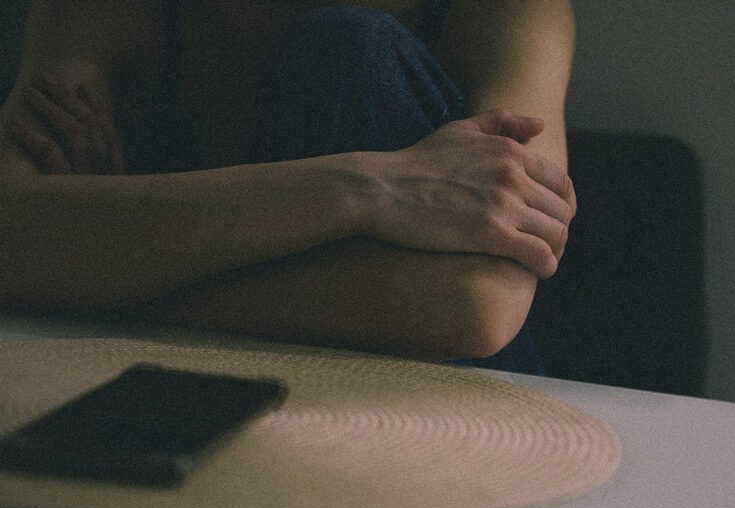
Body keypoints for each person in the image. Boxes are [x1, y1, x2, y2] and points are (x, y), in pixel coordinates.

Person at [0, 1, 576, 374]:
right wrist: (369, 188)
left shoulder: (506, 11)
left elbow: (476, 307)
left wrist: (104, 275)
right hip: (194, 392)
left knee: (350, 46)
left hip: (460, 412)